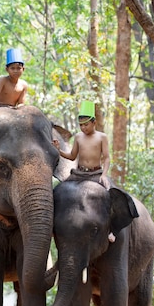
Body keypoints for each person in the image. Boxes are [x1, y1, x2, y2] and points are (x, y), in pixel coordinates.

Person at [53, 100, 115, 242]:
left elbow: (106, 158)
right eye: (81, 125)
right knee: (59, 191)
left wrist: (104, 175)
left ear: (94, 123)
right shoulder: (78, 137)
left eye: (86, 124)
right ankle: (52, 227)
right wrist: (59, 150)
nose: (83, 128)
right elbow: (72, 156)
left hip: (95, 173)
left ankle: (110, 229)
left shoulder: (102, 137)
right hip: (79, 173)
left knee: (110, 193)